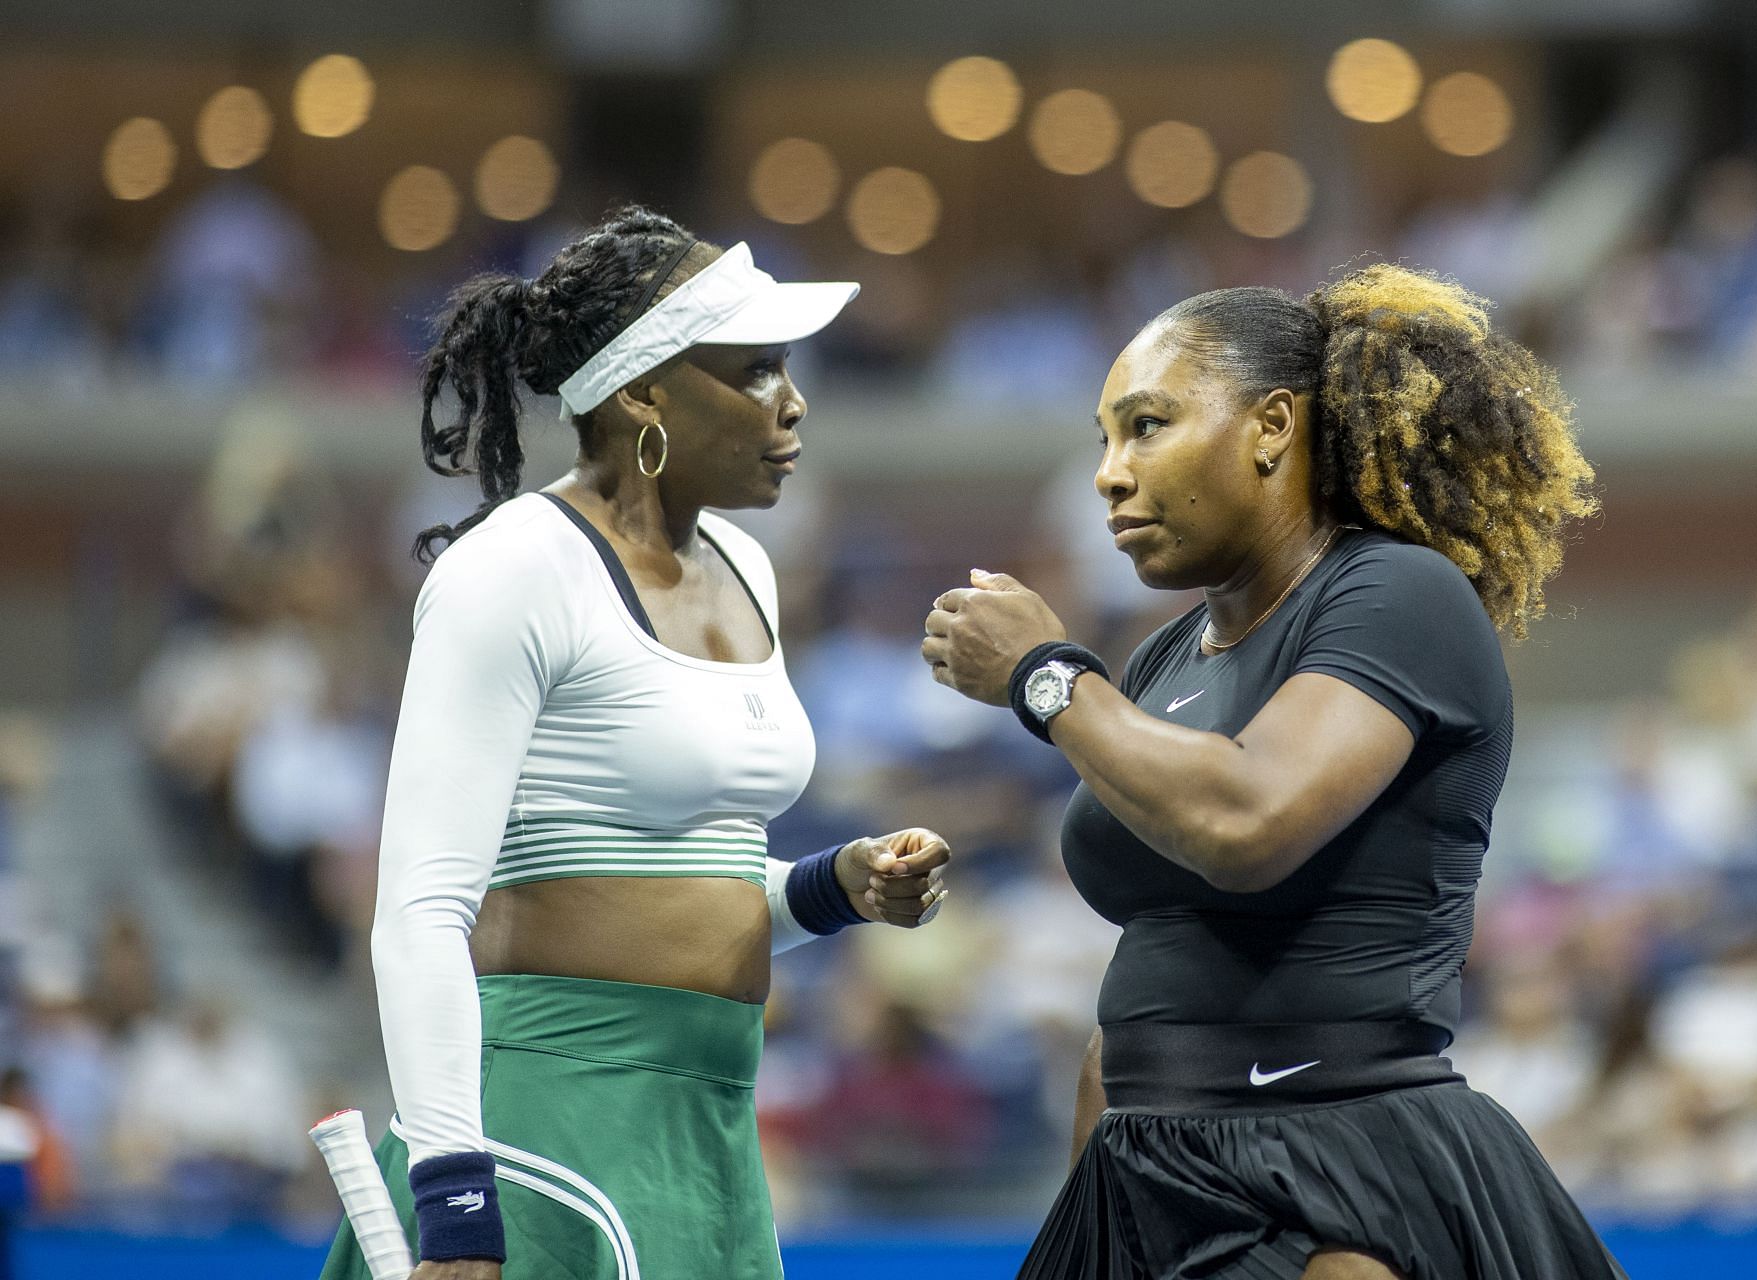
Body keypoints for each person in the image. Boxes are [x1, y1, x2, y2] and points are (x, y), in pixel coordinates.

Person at [922, 265, 1621, 1278]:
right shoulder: (1164, 659)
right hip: (1142, 1174)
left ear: (1274, 426)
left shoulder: (1396, 592)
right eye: (1104, 438)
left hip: (1339, 1178)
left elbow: (1250, 821)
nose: (1110, 473)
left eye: (1148, 424)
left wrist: (1045, 674)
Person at [319, 205, 951, 1280]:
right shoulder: (514, 568)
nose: (793, 404)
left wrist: (830, 888)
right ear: (642, 392)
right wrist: (456, 1199)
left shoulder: (748, 568)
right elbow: (421, 910)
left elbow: (670, 871)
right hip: (544, 1135)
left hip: (710, 1131)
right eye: (755, 370)